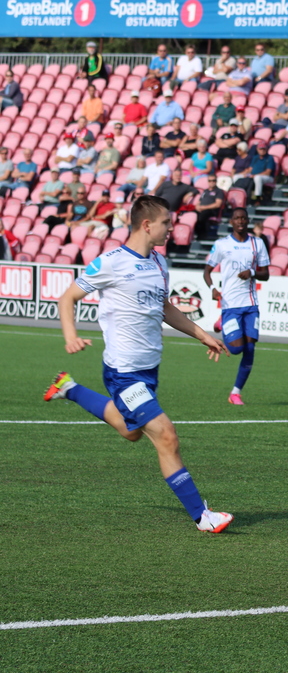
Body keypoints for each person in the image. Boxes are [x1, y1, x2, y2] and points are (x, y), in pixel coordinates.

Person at [44, 195, 233, 532]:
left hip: (148, 370)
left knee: (131, 432)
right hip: (123, 372)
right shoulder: (111, 262)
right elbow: (67, 297)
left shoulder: (160, 264)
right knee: (165, 435)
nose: (172, 230)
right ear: (147, 225)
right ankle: (202, 516)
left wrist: (201, 334)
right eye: (166, 224)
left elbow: (165, 308)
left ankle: (69, 389)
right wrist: (70, 336)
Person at [202, 207, 269, 405]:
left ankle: (235, 393)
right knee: (237, 349)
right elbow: (206, 271)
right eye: (236, 218)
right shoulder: (222, 245)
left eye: (243, 218)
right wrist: (213, 288)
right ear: (231, 221)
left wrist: (252, 273)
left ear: (247, 220)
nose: (240, 221)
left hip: (251, 304)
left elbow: (266, 274)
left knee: (250, 348)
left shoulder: (257, 244)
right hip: (230, 305)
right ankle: (222, 323)